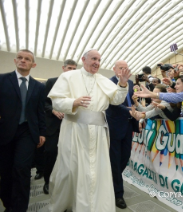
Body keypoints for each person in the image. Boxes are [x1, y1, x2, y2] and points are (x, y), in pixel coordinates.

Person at [45, 49, 131, 212]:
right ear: (83, 59)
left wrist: (123, 84)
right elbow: (56, 102)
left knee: (95, 171)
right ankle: (70, 203)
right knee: (71, 170)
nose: (97, 62)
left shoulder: (103, 80)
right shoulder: (68, 77)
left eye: (99, 60)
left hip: (98, 133)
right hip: (74, 130)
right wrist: (74, 102)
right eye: (93, 59)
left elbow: (117, 99)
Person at [0, 49, 46, 212]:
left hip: (27, 132)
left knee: (21, 168)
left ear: (33, 64)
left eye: (27, 59)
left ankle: (19, 208)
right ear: (15, 61)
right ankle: (8, 204)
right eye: (19, 58)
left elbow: (41, 111)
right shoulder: (2, 80)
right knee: (5, 171)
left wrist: (42, 132)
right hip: (5, 131)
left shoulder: (38, 87)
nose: (23, 60)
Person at [105, 60, 139, 209]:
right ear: (114, 69)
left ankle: (110, 180)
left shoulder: (131, 83)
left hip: (128, 125)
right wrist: (131, 111)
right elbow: (114, 104)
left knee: (125, 157)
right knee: (114, 159)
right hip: (114, 126)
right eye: (121, 68)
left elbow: (130, 101)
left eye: (126, 68)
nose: (124, 70)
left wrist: (136, 105)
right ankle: (118, 194)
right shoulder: (108, 83)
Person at [42, 59, 77, 195]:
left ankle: (66, 185)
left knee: (69, 156)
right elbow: (44, 103)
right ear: (63, 68)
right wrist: (53, 110)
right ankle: (47, 182)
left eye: (74, 69)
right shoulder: (51, 82)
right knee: (51, 153)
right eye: (69, 68)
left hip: (72, 125)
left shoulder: (78, 86)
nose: (72, 71)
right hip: (53, 126)